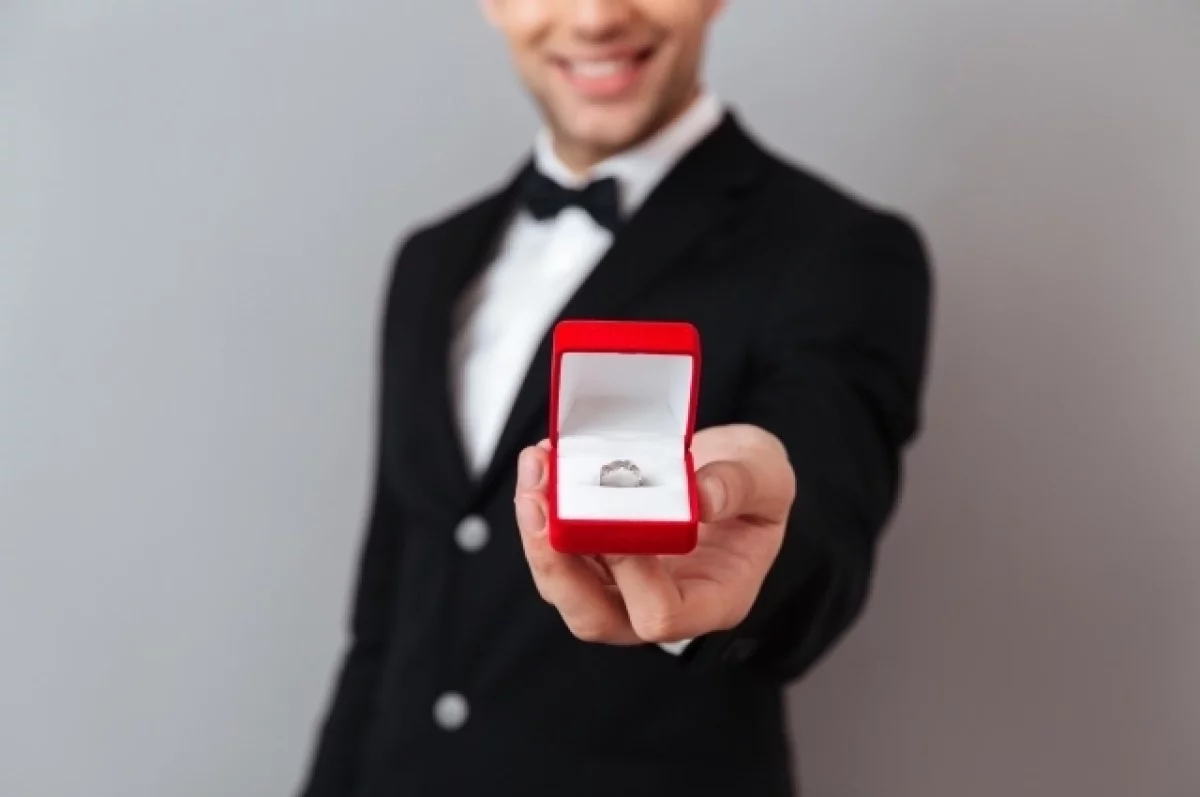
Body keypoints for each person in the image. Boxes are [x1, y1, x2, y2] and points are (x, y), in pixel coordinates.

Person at [297, 1, 932, 795]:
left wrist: (758, 567)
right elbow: (387, 608)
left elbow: (826, 516)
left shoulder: (839, 250)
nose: (596, 18)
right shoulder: (429, 260)